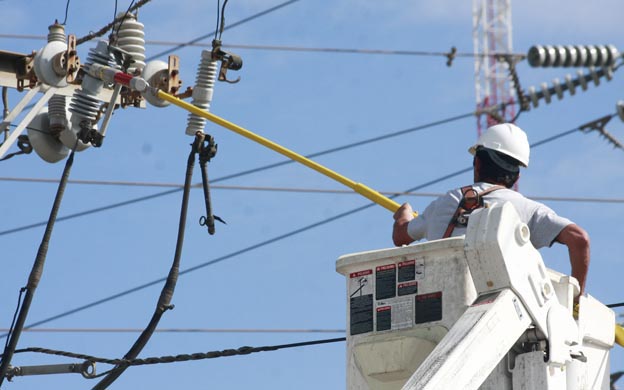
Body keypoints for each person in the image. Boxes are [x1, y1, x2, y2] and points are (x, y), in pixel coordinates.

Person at [392, 123, 590, 296]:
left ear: (477, 163)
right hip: (498, 312)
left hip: (441, 309)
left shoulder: (445, 202)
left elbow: (401, 236)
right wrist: (576, 297)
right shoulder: (526, 210)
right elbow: (579, 239)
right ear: (516, 177)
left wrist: (404, 213)